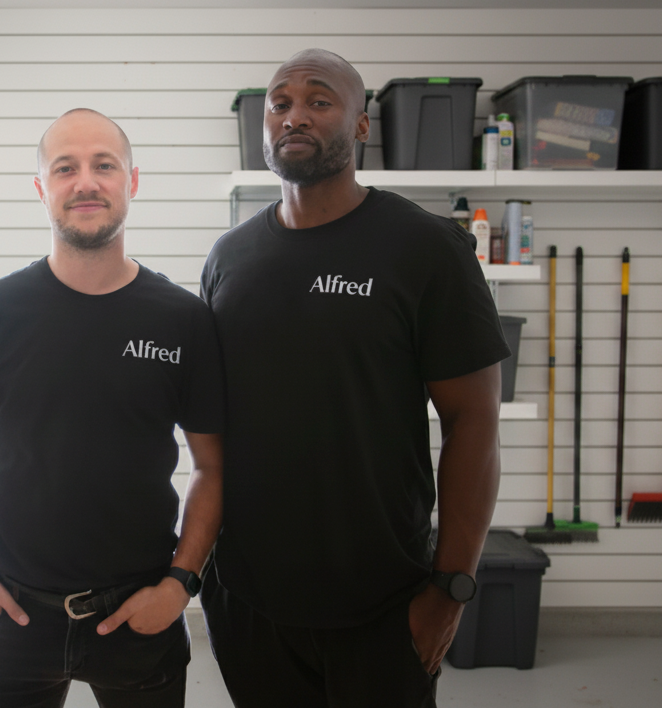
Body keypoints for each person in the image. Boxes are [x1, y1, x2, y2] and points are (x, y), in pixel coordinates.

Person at [199, 49, 509, 707]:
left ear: (361, 126)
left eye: (318, 99)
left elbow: (473, 421)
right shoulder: (229, 257)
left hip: (383, 601)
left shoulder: (424, 247)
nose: (294, 115)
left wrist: (450, 586)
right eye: (279, 103)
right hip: (249, 599)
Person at [0, 108, 226, 708]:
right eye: (65, 168)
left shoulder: (182, 319)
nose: (85, 181)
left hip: (140, 615)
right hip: (13, 616)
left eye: (103, 165)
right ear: (43, 189)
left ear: (132, 182)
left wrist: (181, 582)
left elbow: (213, 466)